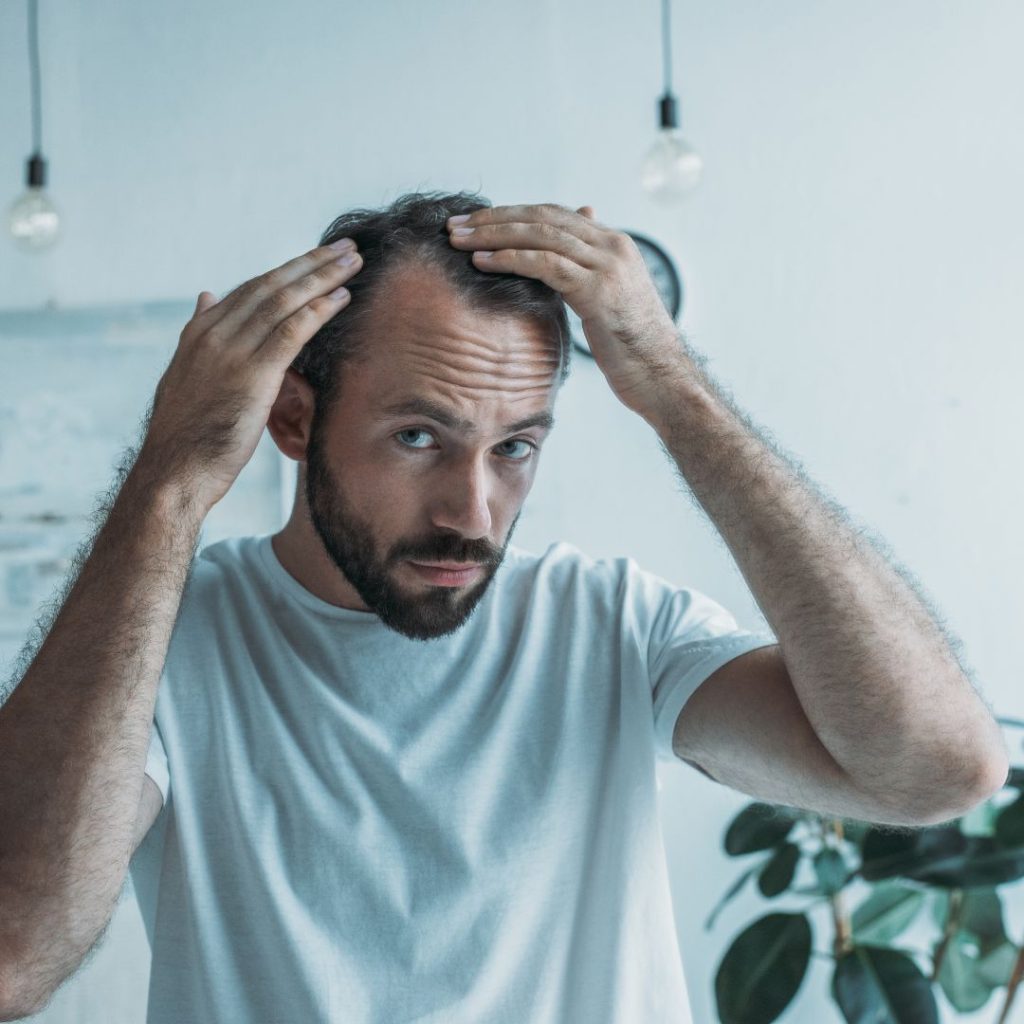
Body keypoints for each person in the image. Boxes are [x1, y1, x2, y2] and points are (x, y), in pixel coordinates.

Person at [0, 191, 1006, 1023]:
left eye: (515, 445)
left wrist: (672, 390)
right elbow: (15, 955)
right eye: (417, 438)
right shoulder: (170, 643)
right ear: (295, 419)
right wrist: (167, 483)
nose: (471, 513)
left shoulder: (609, 623)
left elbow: (934, 769)